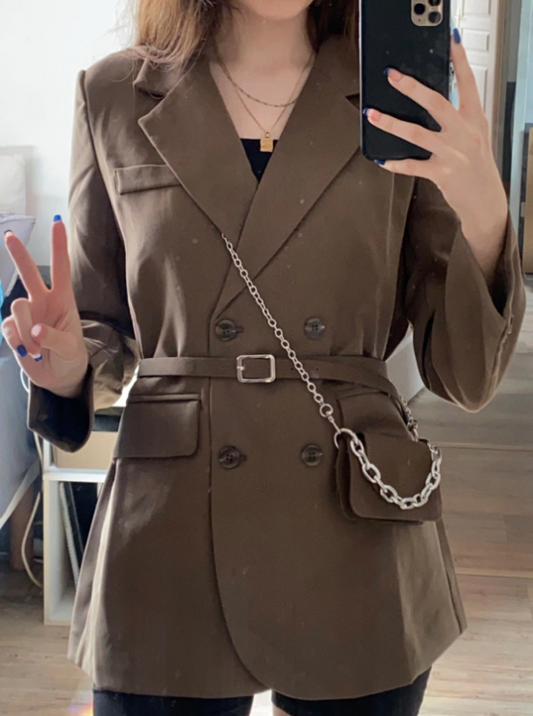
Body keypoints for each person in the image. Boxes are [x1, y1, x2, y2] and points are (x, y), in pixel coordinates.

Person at [1, 1, 526, 714]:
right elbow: (102, 326)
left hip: (353, 510)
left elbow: (464, 374)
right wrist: (68, 367)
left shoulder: (398, 93)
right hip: (171, 519)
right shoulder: (115, 94)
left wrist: (487, 217)